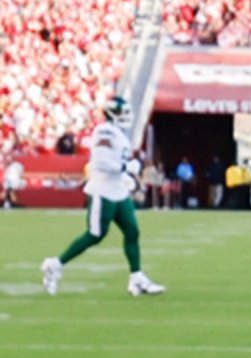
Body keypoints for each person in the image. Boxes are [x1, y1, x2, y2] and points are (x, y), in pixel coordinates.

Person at [41, 97, 165, 297]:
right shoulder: (105, 131)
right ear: (112, 113)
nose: (126, 117)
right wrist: (126, 168)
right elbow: (100, 163)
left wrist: (125, 177)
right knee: (95, 235)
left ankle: (136, 277)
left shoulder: (117, 133)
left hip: (118, 190)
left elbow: (115, 162)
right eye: (122, 112)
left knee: (132, 231)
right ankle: (55, 264)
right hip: (103, 191)